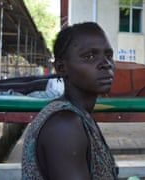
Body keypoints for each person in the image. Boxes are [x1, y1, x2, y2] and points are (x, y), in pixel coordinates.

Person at [22, 22, 118, 179]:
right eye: (90, 56)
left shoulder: (80, 116)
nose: (106, 64)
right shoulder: (64, 126)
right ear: (61, 67)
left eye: (108, 56)